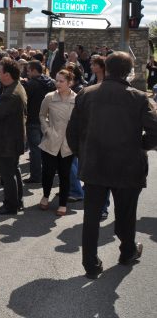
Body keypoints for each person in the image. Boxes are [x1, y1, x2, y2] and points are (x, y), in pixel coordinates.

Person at [67, 51, 157, 280]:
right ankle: (127, 252)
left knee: (91, 217)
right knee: (126, 214)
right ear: (128, 72)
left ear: (105, 68)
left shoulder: (86, 94)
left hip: (95, 164)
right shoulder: (138, 97)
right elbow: (155, 129)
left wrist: (82, 154)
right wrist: (142, 145)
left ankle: (90, 264)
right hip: (127, 165)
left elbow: (73, 131)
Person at [0, 57, 27, 215]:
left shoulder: (11, 93)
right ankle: (17, 201)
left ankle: (11, 205)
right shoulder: (16, 87)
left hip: (7, 141)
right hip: (13, 138)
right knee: (13, 171)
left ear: (7, 75)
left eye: (0, 72)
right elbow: (4, 111)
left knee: (8, 174)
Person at [38, 69, 76, 216]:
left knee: (65, 174)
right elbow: (42, 115)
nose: (57, 83)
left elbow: (80, 121)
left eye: (61, 81)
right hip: (50, 141)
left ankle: (63, 203)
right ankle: (45, 196)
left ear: (70, 82)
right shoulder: (49, 97)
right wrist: (47, 130)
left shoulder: (77, 99)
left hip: (67, 144)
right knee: (47, 172)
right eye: (56, 80)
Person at [22, 60, 56, 184]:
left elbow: (25, 103)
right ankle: (48, 174)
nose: (27, 73)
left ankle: (36, 176)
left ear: (34, 70)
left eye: (28, 70)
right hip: (48, 119)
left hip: (34, 120)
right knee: (47, 149)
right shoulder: (51, 82)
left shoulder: (31, 84)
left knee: (36, 150)